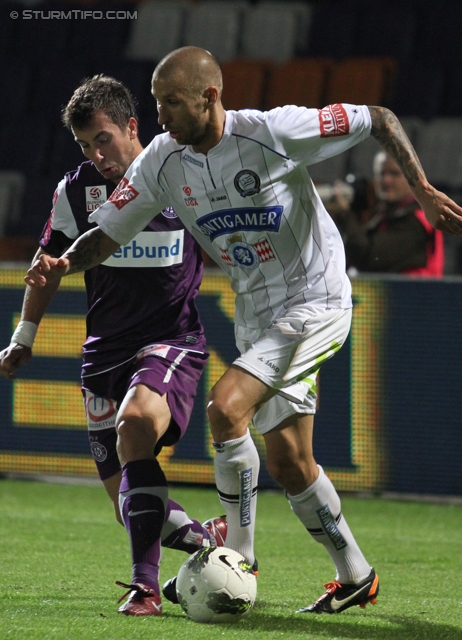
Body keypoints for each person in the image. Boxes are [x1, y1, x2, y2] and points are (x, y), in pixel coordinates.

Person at [25, 48, 462, 615]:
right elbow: (106, 235)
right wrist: (65, 264)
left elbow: (378, 117)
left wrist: (422, 188)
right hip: (257, 310)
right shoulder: (162, 159)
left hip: (315, 297)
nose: (161, 115)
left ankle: (238, 556)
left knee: (225, 409)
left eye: (171, 103)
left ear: (209, 97)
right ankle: (356, 574)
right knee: (288, 460)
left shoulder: (274, 131)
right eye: (156, 103)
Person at [0, 74, 228, 617]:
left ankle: (144, 588)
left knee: (135, 427)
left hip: (169, 341)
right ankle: (207, 541)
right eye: (85, 145)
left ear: (132, 126)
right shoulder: (75, 191)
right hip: (104, 354)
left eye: (103, 139)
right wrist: (22, 337)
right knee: (125, 502)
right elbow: (46, 268)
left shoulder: (181, 172)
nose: (96, 154)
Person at [329, 151, 445, 275]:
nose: (386, 180)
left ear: (413, 178)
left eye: (394, 174)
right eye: (381, 173)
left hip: (413, 293)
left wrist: (345, 214)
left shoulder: (416, 220)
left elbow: (369, 259)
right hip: (392, 292)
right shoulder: (385, 214)